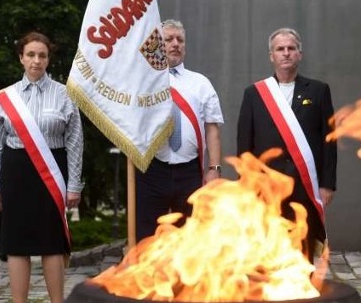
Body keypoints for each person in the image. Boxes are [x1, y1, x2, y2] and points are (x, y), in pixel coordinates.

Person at [0, 31, 83, 303]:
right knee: (15, 246)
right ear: (21, 58)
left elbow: (75, 142)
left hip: (52, 173)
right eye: (31, 55)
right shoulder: (6, 98)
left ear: (48, 59)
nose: (36, 60)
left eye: (42, 55)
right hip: (16, 172)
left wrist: (74, 185)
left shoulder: (65, 94)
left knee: (52, 245)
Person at [236, 27, 336, 260]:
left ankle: (304, 290)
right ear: (272, 55)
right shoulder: (255, 94)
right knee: (268, 242)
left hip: (306, 183)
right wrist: (245, 183)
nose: (286, 53)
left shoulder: (319, 91)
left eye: (291, 48)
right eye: (280, 49)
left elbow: (329, 140)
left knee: (304, 243)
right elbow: (244, 144)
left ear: (300, 54)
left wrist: (327, 184)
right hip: (266, 183)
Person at [134, 19, 224, 241]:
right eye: (168, 39)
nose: (175, 44)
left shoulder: (201, 83)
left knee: (190, 240)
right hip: (151, 170)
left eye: (180, 40)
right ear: (158, 45)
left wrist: (214, 168)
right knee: (147, 240)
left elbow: (212, 129)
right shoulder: (142, 82)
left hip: (190, 173)